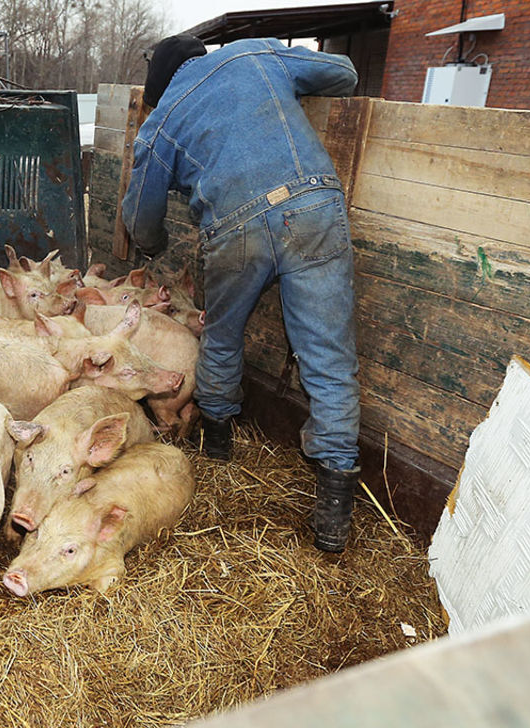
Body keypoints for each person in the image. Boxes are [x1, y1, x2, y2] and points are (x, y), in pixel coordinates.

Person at [122, 35, 361, 553]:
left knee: (224, 338)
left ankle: (220, 445)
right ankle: (334, 511)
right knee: (328, 359)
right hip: (313, 207)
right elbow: (343, 73)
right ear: (201, 58)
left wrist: (155, 245)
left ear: (159, 86)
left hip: (234, 230)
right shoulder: (254, 54)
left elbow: (141, 222)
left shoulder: (160, 121)